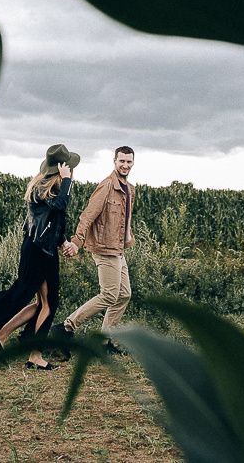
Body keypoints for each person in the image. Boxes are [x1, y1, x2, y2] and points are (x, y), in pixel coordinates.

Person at [0, 144, 78, 369]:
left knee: (39, 303)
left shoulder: (42, 186)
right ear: (62, 168)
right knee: (48, 305)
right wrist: (67, 181)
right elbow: (61, 207)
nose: (72, 171)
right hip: (41, 252)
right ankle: (35, 356)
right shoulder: (51, 189)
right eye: (68, 167)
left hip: (36, 248)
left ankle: (1, 335)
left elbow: (52, 222)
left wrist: (63, 242)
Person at [56, 146, 135, 354]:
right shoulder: (107, 186)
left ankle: (103, 341)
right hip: (104, 248)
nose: (125, 165)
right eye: (122, 161)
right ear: (114, 161)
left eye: (129, 162)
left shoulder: (130, 189)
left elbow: (125, 219)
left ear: (133, 162)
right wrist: (77, 242)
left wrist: (127, 239)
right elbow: (88, 216)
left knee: (124, 294)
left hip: (118, 249)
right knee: (109, 294)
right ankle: (65, 327)